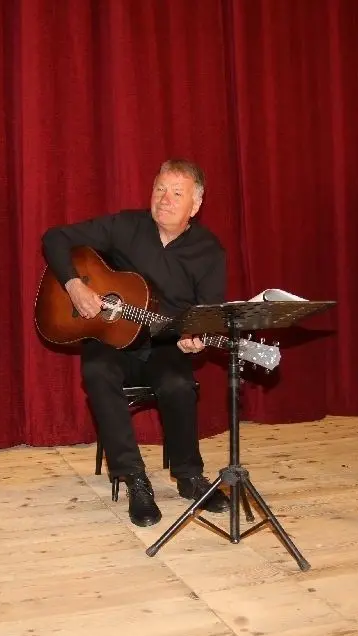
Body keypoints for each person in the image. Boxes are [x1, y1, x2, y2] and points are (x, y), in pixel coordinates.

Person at [41, 159, 231, 527]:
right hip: (111, 339)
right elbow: (54, 238)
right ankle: (133, 477)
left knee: (178, 383)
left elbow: (209, 314)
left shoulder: (209, 251)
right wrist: (74, 285)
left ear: (195, 205)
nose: (165, 199)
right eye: (160, 188)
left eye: (177, 193)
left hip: (165, 344)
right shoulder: (126, 225)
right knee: (97, 371)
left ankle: (190, 476)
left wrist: (198, 339)